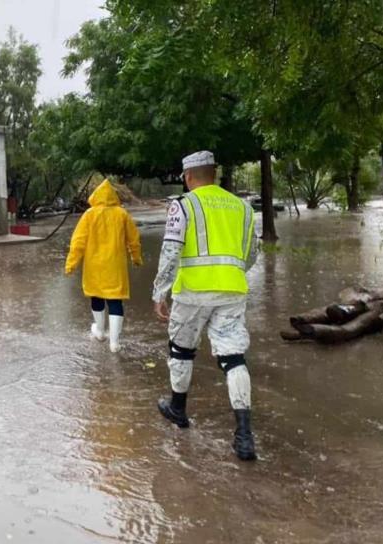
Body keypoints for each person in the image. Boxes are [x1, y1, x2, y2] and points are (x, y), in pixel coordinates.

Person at [152, 150, 260, 461]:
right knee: (233, 356)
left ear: (188, 177)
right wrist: (230, 274)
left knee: (182, 350)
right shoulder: (242, 207)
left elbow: (171, 251)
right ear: (214, 174)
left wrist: (159, 292)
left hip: (192, 293)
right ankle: (244, 435)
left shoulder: (183, 205)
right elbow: (251, 253)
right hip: (232, 290)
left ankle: (178, 409)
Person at [65, 179, 143, 353]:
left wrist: (71, 264)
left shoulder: (89, 215)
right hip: (115, 266)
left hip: (94, 267)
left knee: (96, 297)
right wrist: (136, 258)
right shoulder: (122, 214)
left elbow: (78, 241)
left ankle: (100, 332)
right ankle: (114, 343)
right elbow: (134, 239)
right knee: (115, 300)